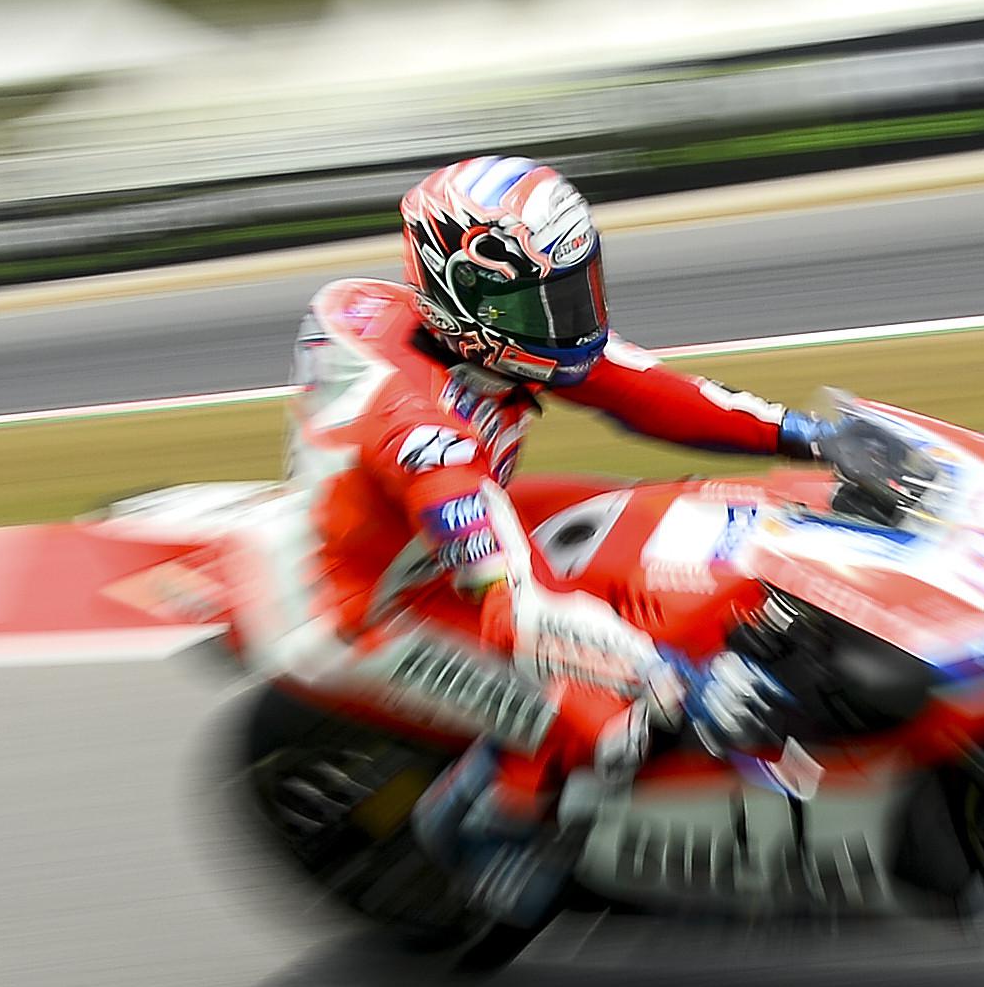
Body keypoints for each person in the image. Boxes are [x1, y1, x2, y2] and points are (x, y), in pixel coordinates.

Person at [238, 155, 865, 924]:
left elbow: (644, 388)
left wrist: (806, 435)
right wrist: (671, 675)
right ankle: (483, 827)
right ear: (467, 299)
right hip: (370, 606)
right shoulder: (421, 430)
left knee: (683, 520)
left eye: (577, 288)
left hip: (430, 524)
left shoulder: (476, 336)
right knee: (617, 715)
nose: (572, 318)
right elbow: (515, 608)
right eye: (547, 301)